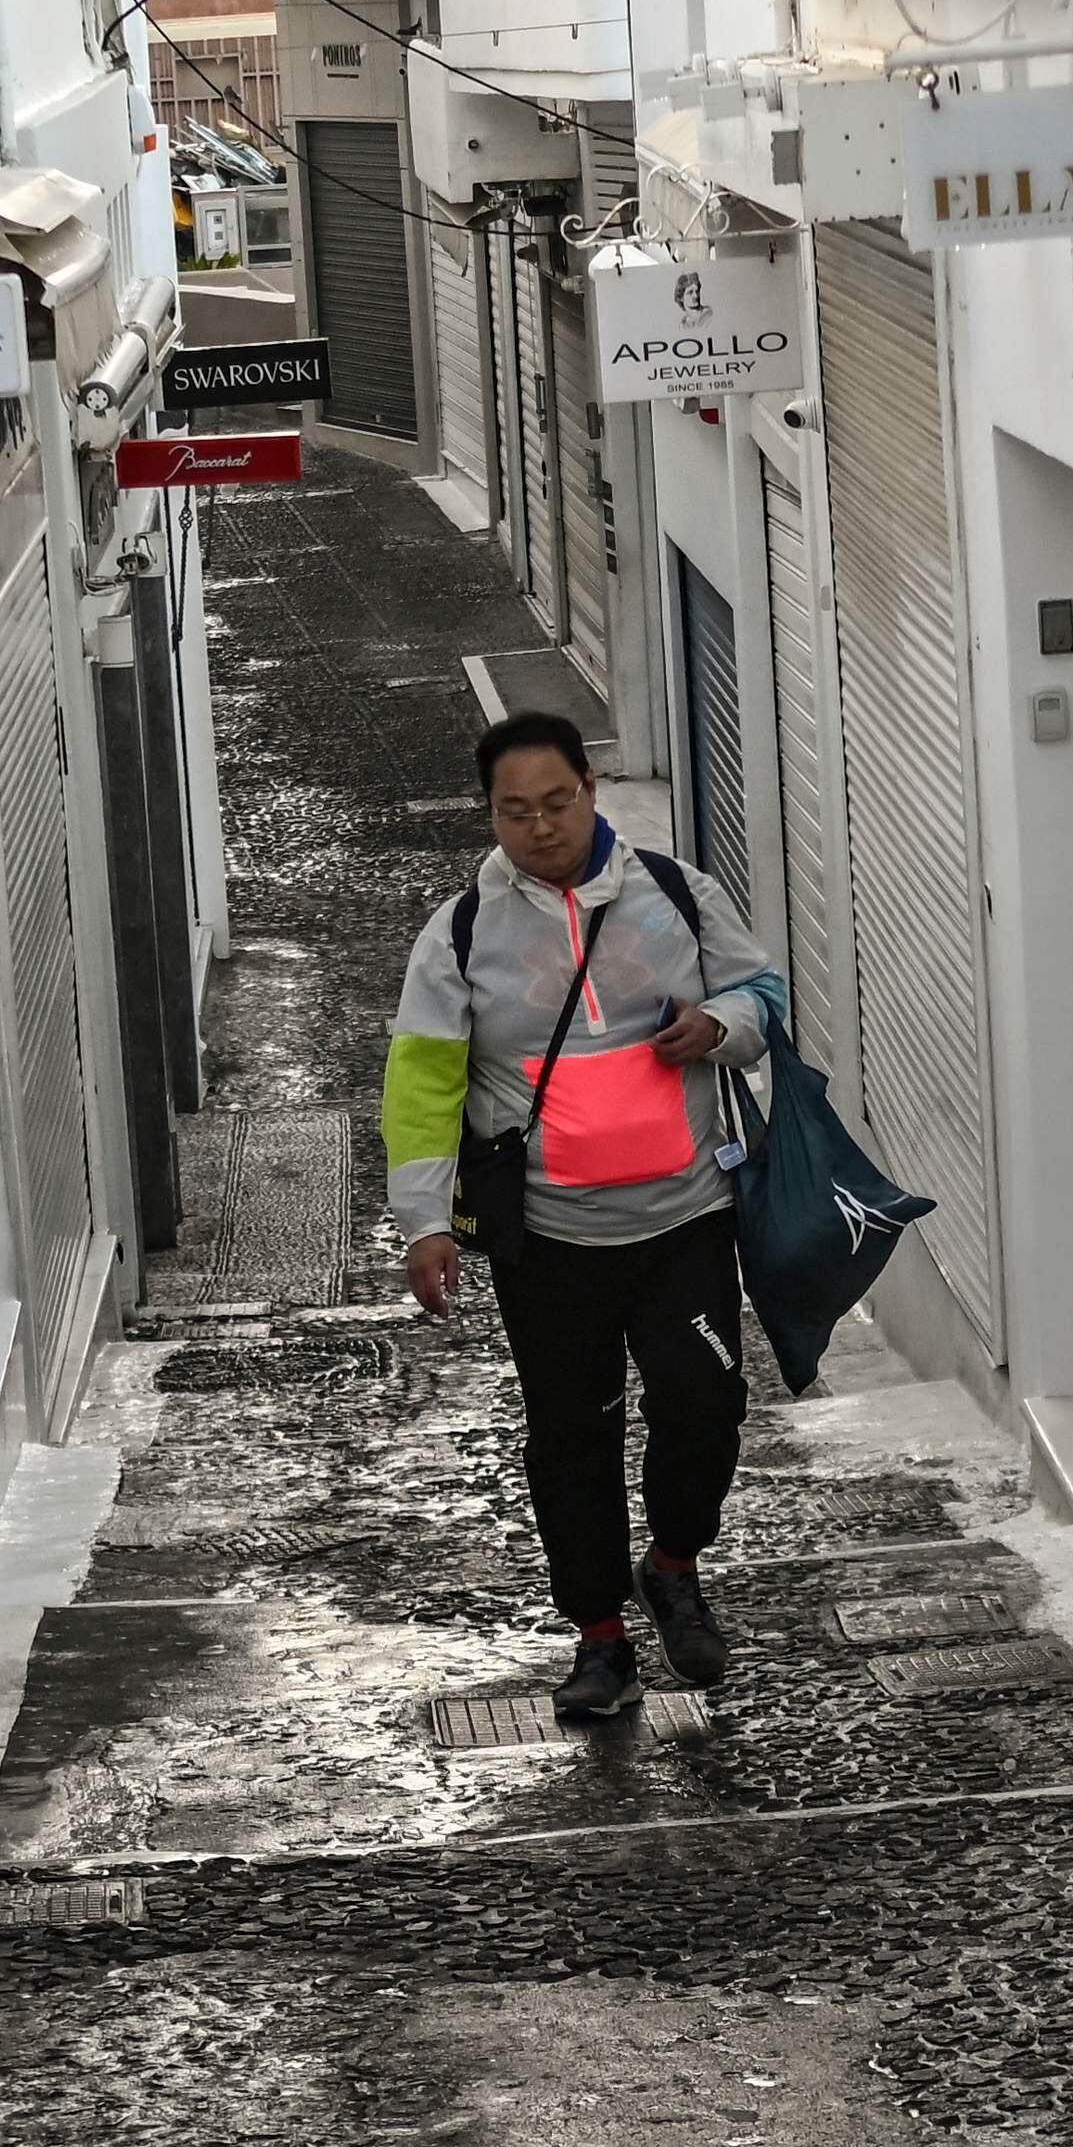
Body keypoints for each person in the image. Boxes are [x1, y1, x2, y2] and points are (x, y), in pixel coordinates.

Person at [386, 712, 786, 1718]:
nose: (540, 827)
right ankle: (600, 1638)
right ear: (490, 813)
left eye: (556, 802)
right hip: (549, 1241)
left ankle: (672, 1562)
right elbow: (422, 1082)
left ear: (589, 789)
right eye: (514, 812)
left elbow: (762, 990)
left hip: (685, 1216)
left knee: (703, 1407)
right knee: (571, 1437)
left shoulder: (676, 892)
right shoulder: (461, 932)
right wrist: (424, 1219)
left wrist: (721, 1024)